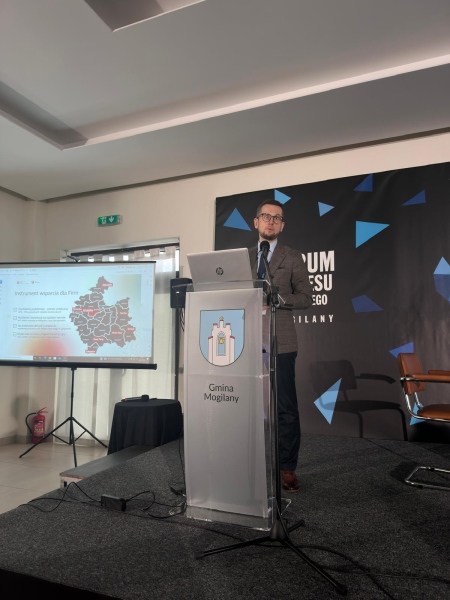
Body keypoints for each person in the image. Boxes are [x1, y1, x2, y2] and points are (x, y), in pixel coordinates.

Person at [249, 199, 313, 492]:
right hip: (244, 341)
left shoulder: (293, 256)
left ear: (282, 225)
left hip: (281, 340)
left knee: (285, 408)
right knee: (244, 405)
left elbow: (306, 297)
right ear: (256, 222)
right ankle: (244, 461)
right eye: (266, 216)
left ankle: (287, 467)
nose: (271, 221)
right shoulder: (244, 257)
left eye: (277, 218)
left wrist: (278, 299)